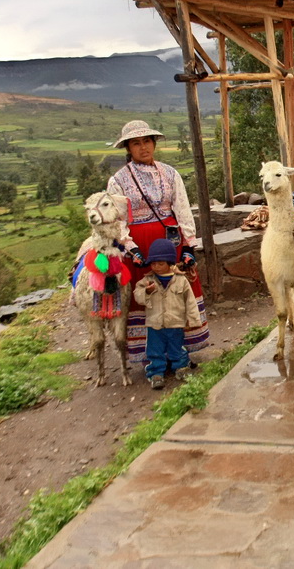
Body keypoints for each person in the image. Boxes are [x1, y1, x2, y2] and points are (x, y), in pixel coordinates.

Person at [107, 120, 209, 365]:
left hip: (169, 242)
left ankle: (179, 350)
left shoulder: (170, 173)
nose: (143, 148)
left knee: (176, 294)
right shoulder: (118, 181)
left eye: (146, 142)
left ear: (153, 143)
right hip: (140, 248)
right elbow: (117, 220)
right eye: (136, 143)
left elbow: (182, 209)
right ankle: (152, 356)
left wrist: (187, 245)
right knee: (149, 296)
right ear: (128, 149)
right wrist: (130, 248)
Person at [133, 239, 201, 389]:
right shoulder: (147, 281)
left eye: (160, 263)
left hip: (175, 322)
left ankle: (180, 368)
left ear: (170, 263)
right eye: (153, 263)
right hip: (155, 324)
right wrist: (147, 291)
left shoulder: (181, 280)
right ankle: (156, 373)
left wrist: (193, 320)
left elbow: (190, 301)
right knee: (154, 350)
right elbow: (137, 295)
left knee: (176, 347)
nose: (156, 267)